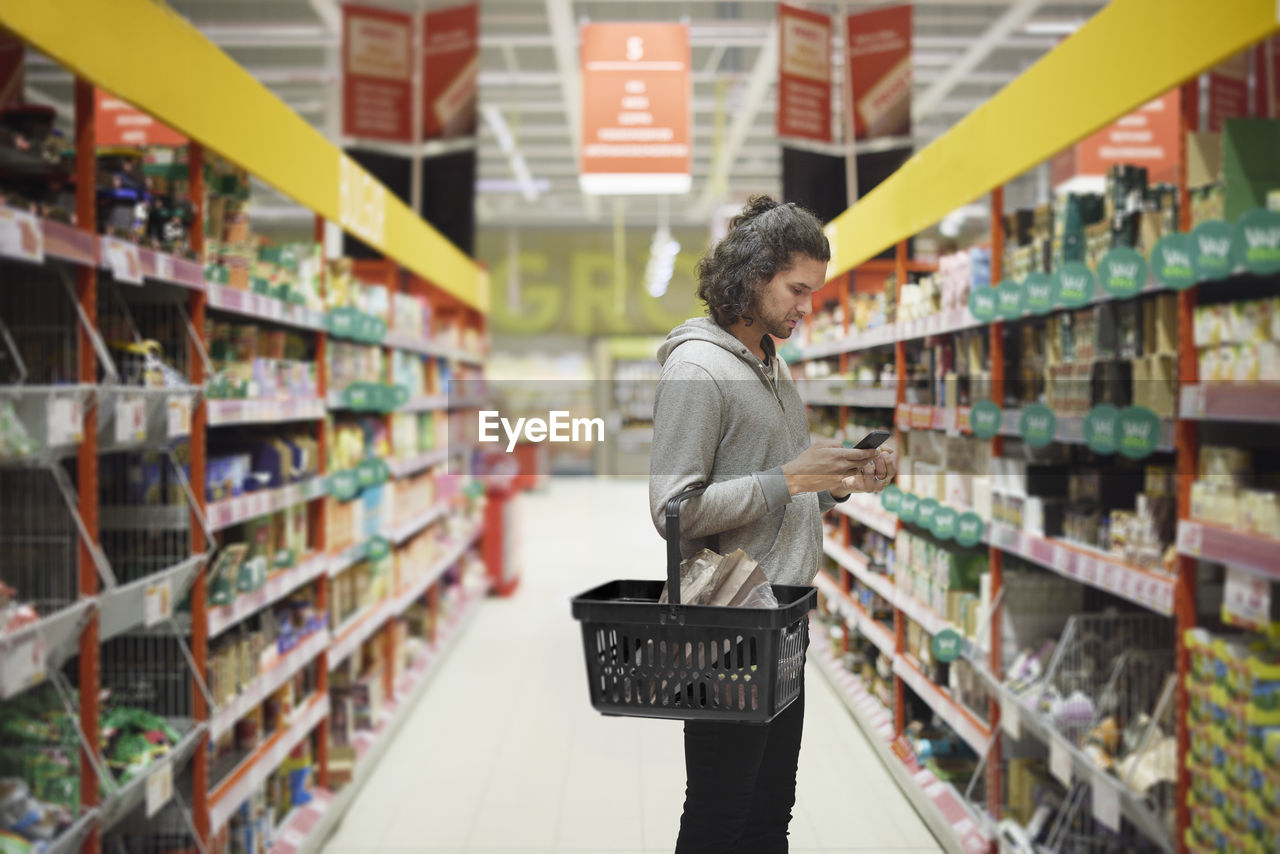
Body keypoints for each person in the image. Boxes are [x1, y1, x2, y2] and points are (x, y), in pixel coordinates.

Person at [649, 194, 896, 854]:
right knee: (721, 815)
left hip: (782, 616)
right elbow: (673, 511)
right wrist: (790, 477)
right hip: (725, 620)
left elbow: (778, 496)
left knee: (769, 812)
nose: (804, 307)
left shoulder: (771, 365)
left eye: (812, 292)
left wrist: (838, 481)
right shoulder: (697, 368)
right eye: (796, 289)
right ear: (753, 274)